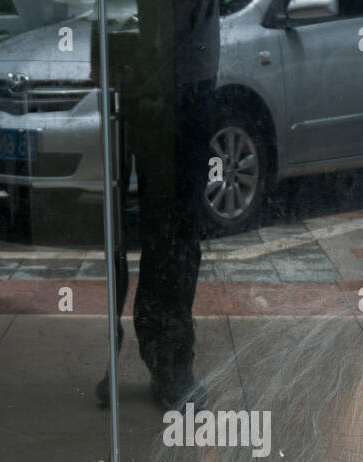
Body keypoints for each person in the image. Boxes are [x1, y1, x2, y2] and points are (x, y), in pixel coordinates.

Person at [96, 0, 220, 410]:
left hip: (174, 76)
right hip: (158, 73)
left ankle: (162, 360)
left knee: (169, 227)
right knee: (155, 228)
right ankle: (156, 363)